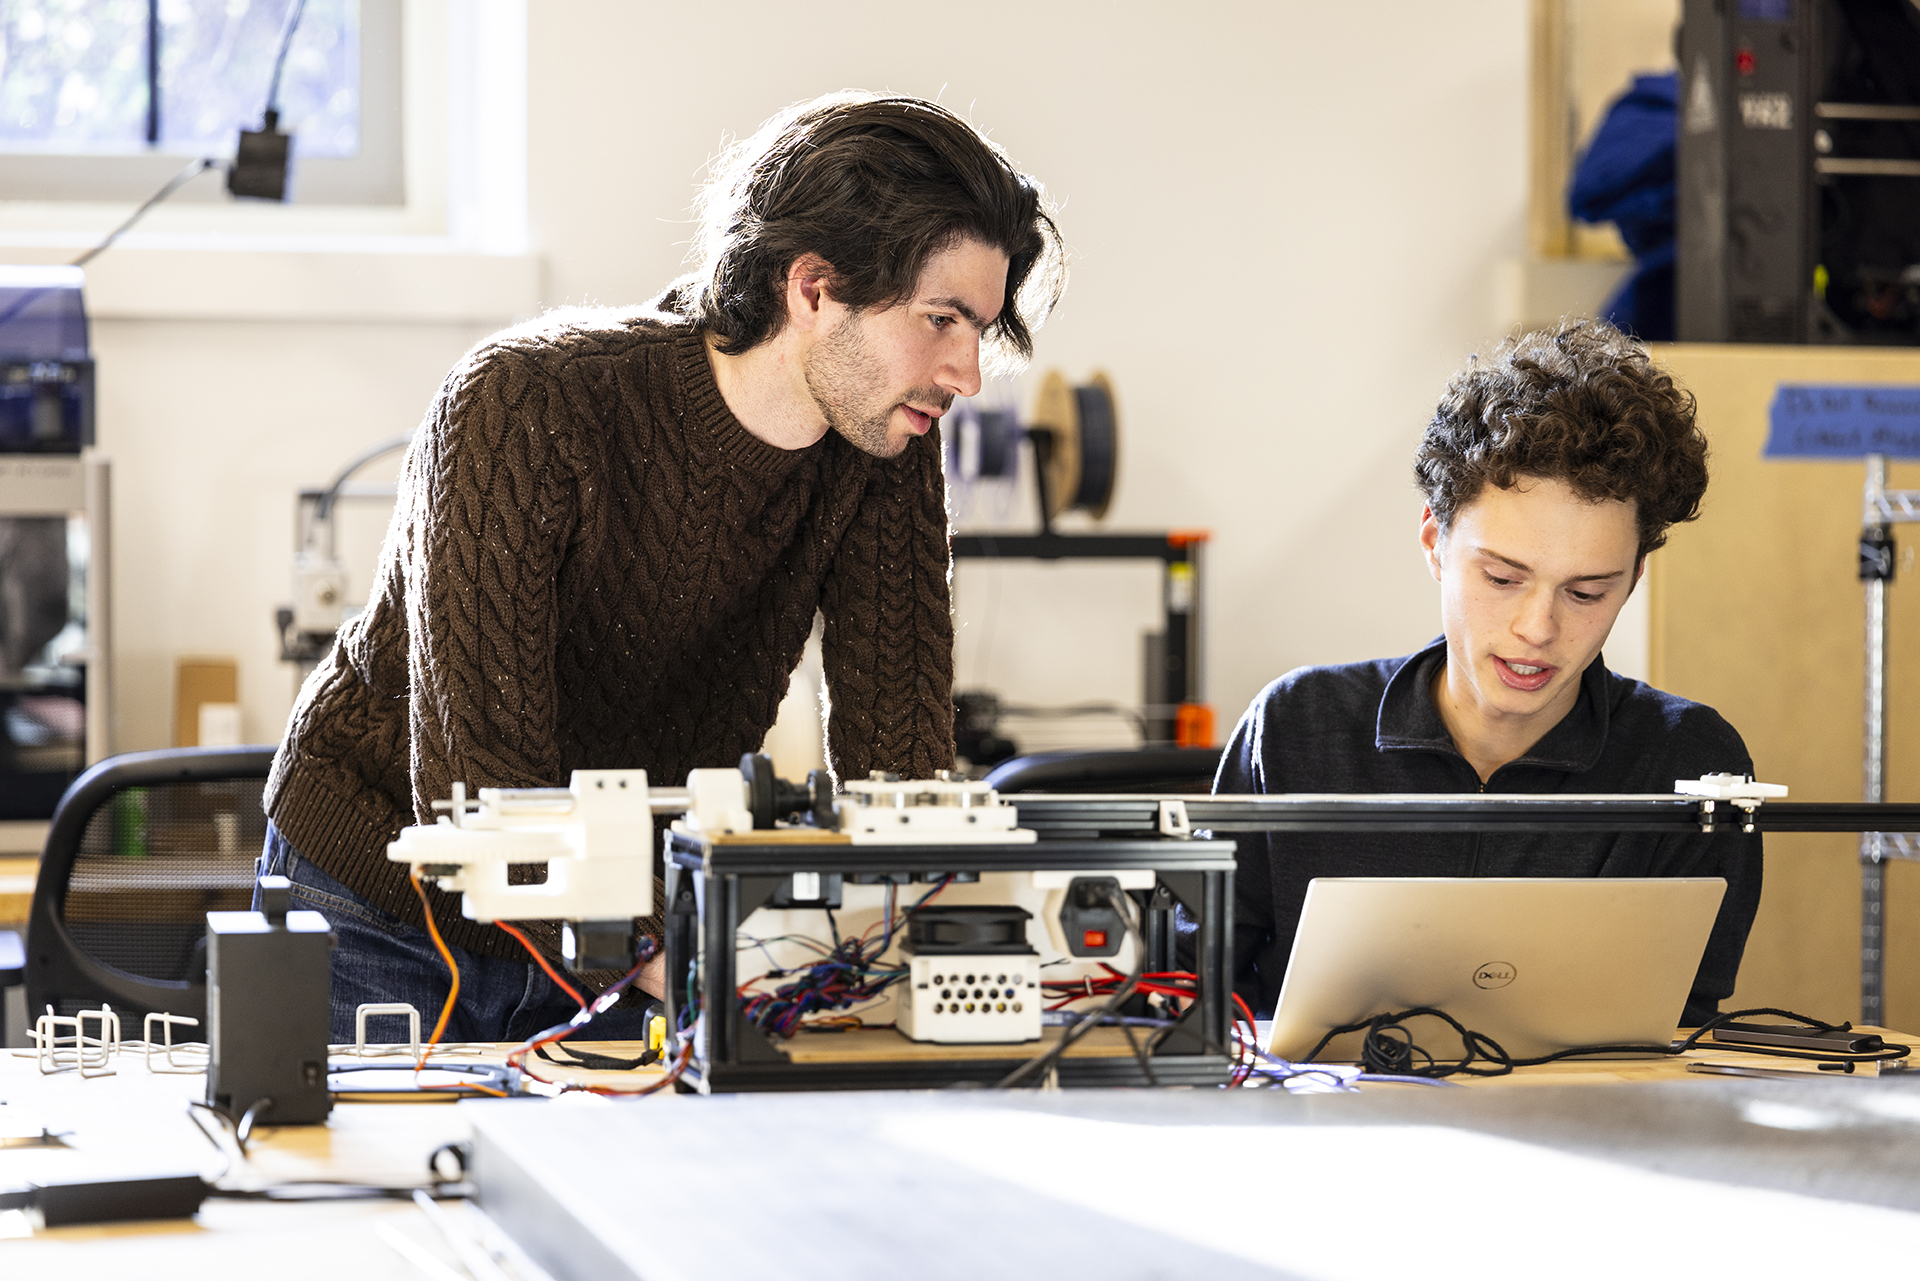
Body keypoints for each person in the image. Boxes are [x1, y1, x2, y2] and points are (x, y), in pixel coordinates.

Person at [261, 92, 1065, 1042]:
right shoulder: (525, 403)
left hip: (613, 912)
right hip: (385, 897)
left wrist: (925, 954)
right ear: (812, 288)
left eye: (980, 328)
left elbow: (901, 775)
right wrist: (712, 965)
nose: (968, 373)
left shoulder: (881, 445)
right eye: (942, 319)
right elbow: (485, 798)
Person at [1219, 320, 1760, 1028]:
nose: (1539, 629)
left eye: (1587, 591)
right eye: (1503, 577)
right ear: (1434, 543)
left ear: (1633, 579)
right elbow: (1192, 997)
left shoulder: (1692, 763)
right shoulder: (1297, 727)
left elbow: (1680, 1033)